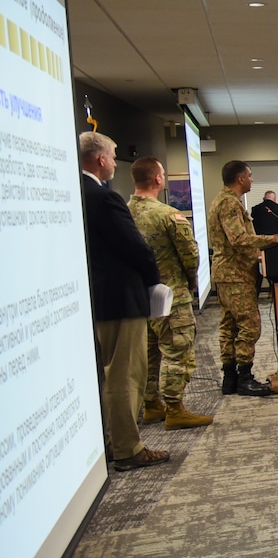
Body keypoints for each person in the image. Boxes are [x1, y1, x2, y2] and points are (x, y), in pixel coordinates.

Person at [80, 132, 169, 470]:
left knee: (104, 374)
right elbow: (136, 248)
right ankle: (128, 448)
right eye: (114, 155)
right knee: (124, 375)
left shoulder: (75, 192)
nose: (117, 162)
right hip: (121, 299)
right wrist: (153, 281)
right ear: (100, 159)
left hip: (97, 299)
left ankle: (108, 441)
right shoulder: (104, 198)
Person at [128, 157, 211, 430]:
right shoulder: (167, 215)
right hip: (171, 295)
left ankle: (152, 405)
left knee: (150, 352)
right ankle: (175, 409)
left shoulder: (123, 212)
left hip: (138, 296)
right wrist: (191, 282)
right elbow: (190, 256)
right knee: (177, 351)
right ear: (158, 179)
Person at [209, 160, 278, 396]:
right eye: (250, 175)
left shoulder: (225, 200)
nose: (252, 179)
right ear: (240, 178)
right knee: (249, 325)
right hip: (235, 275)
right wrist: (273, 239)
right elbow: (238, 239)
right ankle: (244, 378)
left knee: (229, 325)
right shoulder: (229, 203)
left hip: (229, 273)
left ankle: (230, 378)